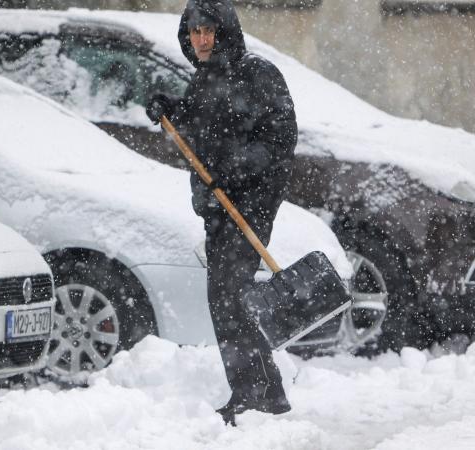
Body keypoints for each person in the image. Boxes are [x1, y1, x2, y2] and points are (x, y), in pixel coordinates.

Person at [145, 0, 298, 425]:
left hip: (248, 206)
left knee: (230, 297)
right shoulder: (204, 79)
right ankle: (263, 392)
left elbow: (280, 140)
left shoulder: (258, 74)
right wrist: (169, 107)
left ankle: (257, 394)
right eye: (194, 32)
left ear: (225, 30)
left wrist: (235, 170)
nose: (201, 39)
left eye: (209, 30)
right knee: (227, 299)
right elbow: (199, 127)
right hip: (216, 208)